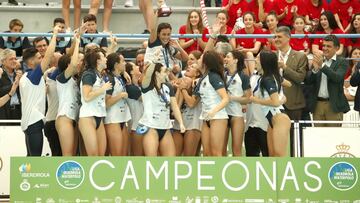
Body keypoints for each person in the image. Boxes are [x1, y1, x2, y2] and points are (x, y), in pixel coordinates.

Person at [19, 26, 60, 156]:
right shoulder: (33, 76)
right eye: (38, 57)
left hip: (29, 122)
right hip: (34, 122)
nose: (42, 59)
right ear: (31, 62)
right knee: (34, 160)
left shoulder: (27, 77)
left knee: (30, 158)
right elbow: (48, 57)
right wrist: (54, 35)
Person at [139, 62, 185, 156]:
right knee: (151, 161)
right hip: (151, 127)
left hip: (165, 127)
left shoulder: (168, 87)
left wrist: (181, 123)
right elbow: (148, 74)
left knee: (170, 161)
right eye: (164, 71)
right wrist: (154, 60)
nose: (167, 73)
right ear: (156, 73)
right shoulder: (147, 86)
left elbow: (175, 106)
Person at [250, 51, 291, 157]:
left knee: (279, 155)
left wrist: (256, 100)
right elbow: (288, 84)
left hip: (279, 118)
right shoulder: (270, 77)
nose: (255, 60)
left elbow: (275, 102)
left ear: (264, 62)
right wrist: (282, 97)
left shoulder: (267, 79)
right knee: (272, 157)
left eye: (258, 58)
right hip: (271, 120)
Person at [275, 26, 308, 156]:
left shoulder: (300, 56)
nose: (276, 39)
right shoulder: (271, 55)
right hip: (274, 104)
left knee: (295, 141)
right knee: (276, 140)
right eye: (275, 37)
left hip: (293, 104)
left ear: (288, 38)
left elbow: (300, 78)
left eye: (279, 37)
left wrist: (285, 67)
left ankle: (296, 166)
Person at [307, 34, 350, 127]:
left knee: (333, 138)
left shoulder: (342, 61)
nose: (325, 48)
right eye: (324, 46)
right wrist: (314, 70)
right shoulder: (318, 60)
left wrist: (322, 66)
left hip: (333, 105)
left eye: (328, 46)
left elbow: (337, 78)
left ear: (337, 48)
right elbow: (308, 81)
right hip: (317, 105)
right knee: (319, 137)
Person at [194, 51, 230, 156]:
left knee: (216, 153)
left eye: (200, 58)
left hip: (217, 117)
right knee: (206, 153)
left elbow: (225, 98)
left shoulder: (213, 76)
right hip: (206, 118)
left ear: (205, 62)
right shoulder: (203, 78)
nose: (198, 60)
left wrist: (213, 111)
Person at [79, 48, 112, 156]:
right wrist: (102, 89)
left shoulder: (99, 75)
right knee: (93, 156)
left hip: (99, 117)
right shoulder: (89, 74)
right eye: (104, 57)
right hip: (88, 118)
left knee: (101, 157)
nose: (106, 59)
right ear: (98, 60)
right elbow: (87, 97)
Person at [56, 34, 82, 156]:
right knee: (67, 155)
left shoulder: (75, 80)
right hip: (65, 118)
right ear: (68, 65)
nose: (78, 64)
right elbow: (73, 64)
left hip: (74, 119)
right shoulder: (62, 78)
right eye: (77, 62)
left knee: (73, 156)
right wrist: (77, 43)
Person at [223, 50, 251, 156]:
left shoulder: (243, 76)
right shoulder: (222, 75)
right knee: (221, 151)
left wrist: (231, 98)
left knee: (236, 151)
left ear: (235, 60)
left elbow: (248, 98)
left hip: (236, 115)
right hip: (223, 114)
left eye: (228, 56)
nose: (225, 59)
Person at [104, 53, 131, 156]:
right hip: (113, 120)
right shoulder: (110, 79)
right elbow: (107, 103)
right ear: (116, 64)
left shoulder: (120, 77)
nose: (125, 63)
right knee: (117, 157)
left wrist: (124, 72)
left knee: (123, 156)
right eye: (123, 61)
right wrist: (121, 95)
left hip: (123, 119)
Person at [125, 62, 144, 156]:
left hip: (140, 125)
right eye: (135, 66)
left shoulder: (137, 87)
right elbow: (148, 99)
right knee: (137, 156)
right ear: (131, 71)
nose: (138, 66)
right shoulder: (131, 88)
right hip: (135, 127)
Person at [0, 49, 22, 119]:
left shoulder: (19, 74)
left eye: (15, 58)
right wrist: (15, 84)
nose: (14, 61)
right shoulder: (0, 74)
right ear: (3, 61)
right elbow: (1, 91)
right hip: (4, 111)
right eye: (11, 59)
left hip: (19, 110)